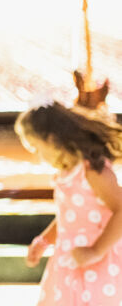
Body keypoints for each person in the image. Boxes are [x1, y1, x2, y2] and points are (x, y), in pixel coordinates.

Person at [17, 102, 122, 305]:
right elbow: (69, 217)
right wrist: (44, 241)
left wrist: (96, 251)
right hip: (69, 261)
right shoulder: (66, 174)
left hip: (96, 267)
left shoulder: (93, 171)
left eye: (36, 148)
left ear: (52, 139)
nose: (37, 156)